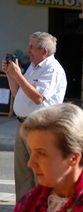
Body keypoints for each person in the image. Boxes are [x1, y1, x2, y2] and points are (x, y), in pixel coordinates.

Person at [1, 31, 67, 201]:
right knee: (22, 172)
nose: (28, 50)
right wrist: (10, 74)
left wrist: (18, 75)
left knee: (40, 172)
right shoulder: (34, 66)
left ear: (44, 51)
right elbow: (19, 94)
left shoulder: (52, 69)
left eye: (32, 47)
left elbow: (38, 98)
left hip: (41, 127)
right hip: (24, 124)